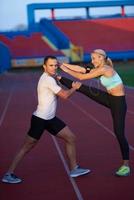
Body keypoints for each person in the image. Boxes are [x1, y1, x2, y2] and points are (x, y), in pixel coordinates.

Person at [2, 56, 90, 184]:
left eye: (55, 65)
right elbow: (65, 95)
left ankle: (74, 168)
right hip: (40, 119)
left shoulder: (51, 79)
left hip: (50, 119)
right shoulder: (48, 80)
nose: (54, 67)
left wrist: (60, 81)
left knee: (71, 138)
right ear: (44, 66)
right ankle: (8, 174)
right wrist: (74, 87)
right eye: (51, 65)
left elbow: (57, 96)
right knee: (27, 147)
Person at [58, 49, 130, 177]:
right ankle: (59, 78)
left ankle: (126, 165)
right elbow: (81, 70)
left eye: (94, 58)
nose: (92, 61)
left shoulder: (105, 69)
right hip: (108, 98)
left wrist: (65, 69)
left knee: (119, 134)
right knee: (80, 87)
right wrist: (62, 65)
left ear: (101, 58)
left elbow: (81, 76)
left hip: (118, 103)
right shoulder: (99, 66)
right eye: (91, 58)